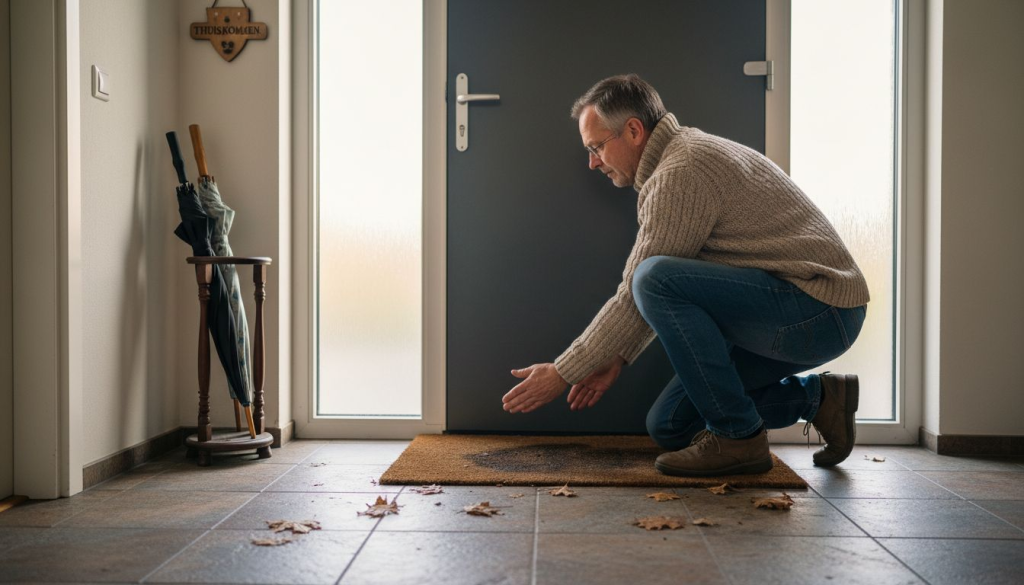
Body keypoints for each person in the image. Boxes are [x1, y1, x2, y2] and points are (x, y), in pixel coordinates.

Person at [500, 74, 870, 477]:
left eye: (596, 147)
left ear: (634, 130)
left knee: (652, 275)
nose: (592, 162)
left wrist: (562, 372)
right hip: (793, 308)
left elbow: (640, 290)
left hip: (819, 309)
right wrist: (618, 356)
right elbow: (657, 297)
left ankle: (739, 439)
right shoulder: (680, 158)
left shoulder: (682, 171)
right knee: (671, 424)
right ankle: (820, 400)